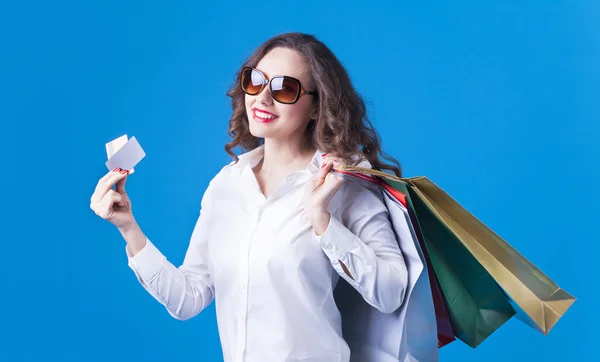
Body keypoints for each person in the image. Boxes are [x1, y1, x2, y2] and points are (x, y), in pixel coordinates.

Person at [90, 32, 435, 362]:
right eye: (255, 81)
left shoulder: (344, 183)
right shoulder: (226, 186)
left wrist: (322, 220)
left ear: (317, 106)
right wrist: (128, 228)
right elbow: (188, 298)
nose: (263, 98)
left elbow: (392, 293)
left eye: (285, 88)